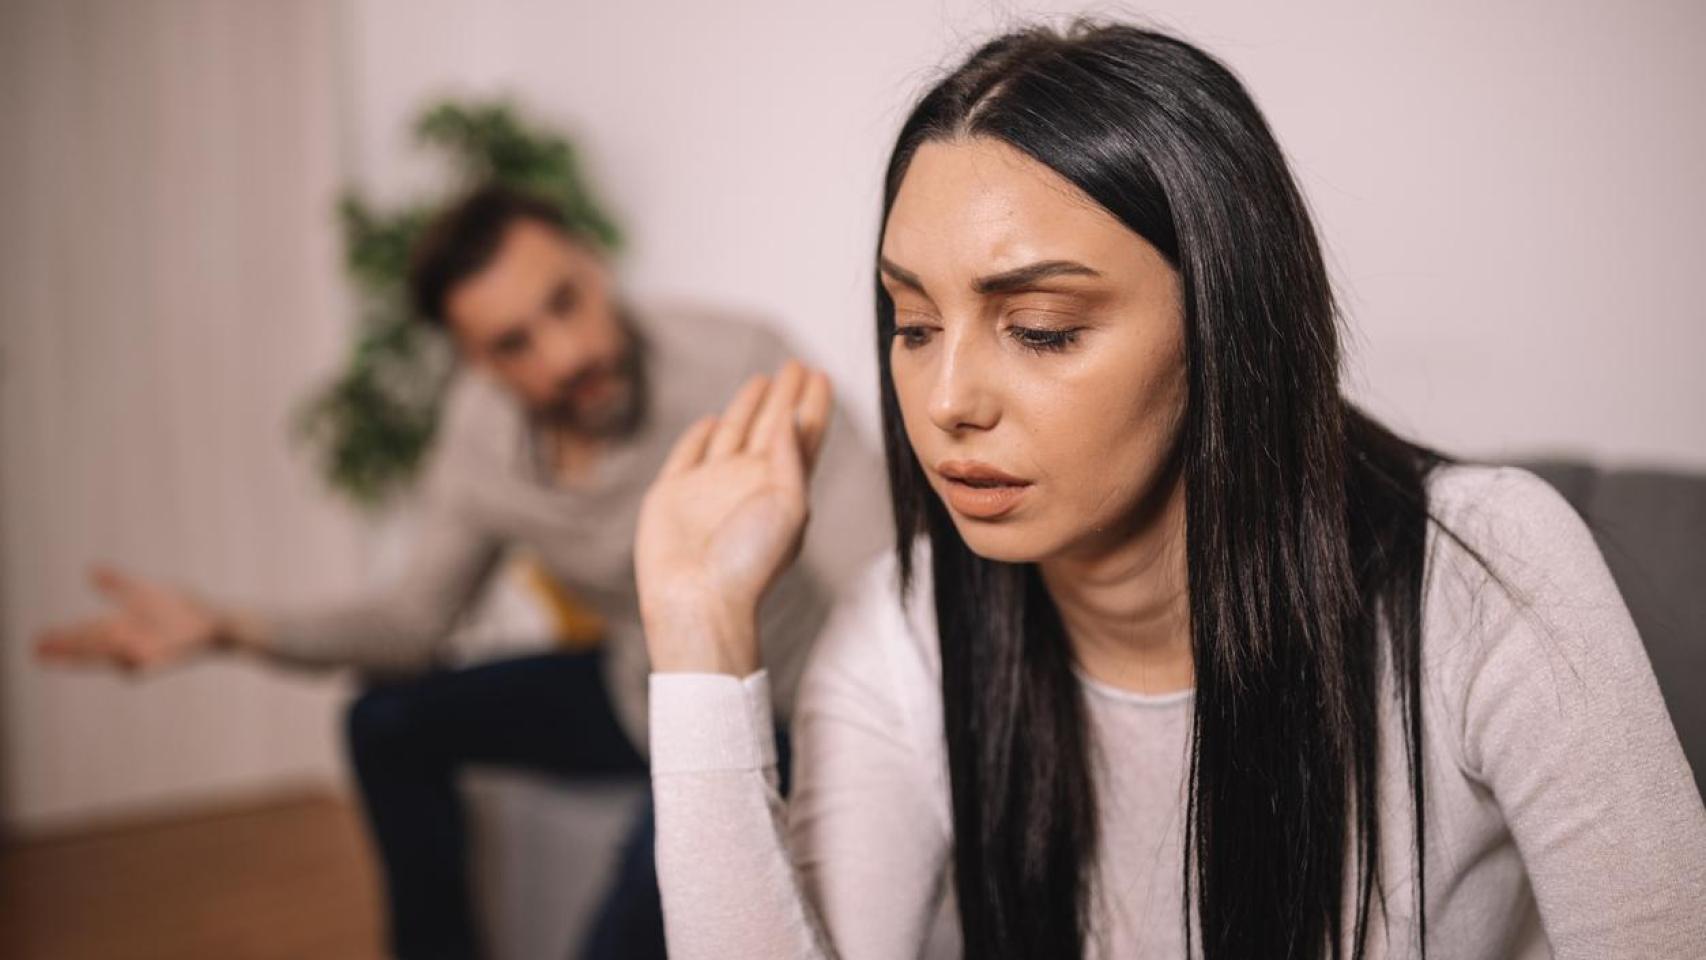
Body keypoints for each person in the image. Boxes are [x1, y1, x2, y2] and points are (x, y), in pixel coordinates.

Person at [632, 21, 1706, 960]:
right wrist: (696, 640)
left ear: (1222, 329)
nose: (946, 398)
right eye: (911, 326)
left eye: (1041, 329)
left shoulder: (1482, 575)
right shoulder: (903, 634)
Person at [35, 185, 891, 959]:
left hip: (777, 704)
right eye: (514, 343)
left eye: (566, 302)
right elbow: (413, 623)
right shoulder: (481, 439)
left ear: (595, 265)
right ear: (479, 360)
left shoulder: (739, 360)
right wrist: (225, 624)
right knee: (386, 720)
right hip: (635, 686)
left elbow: (878, 584)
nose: (563, 356)